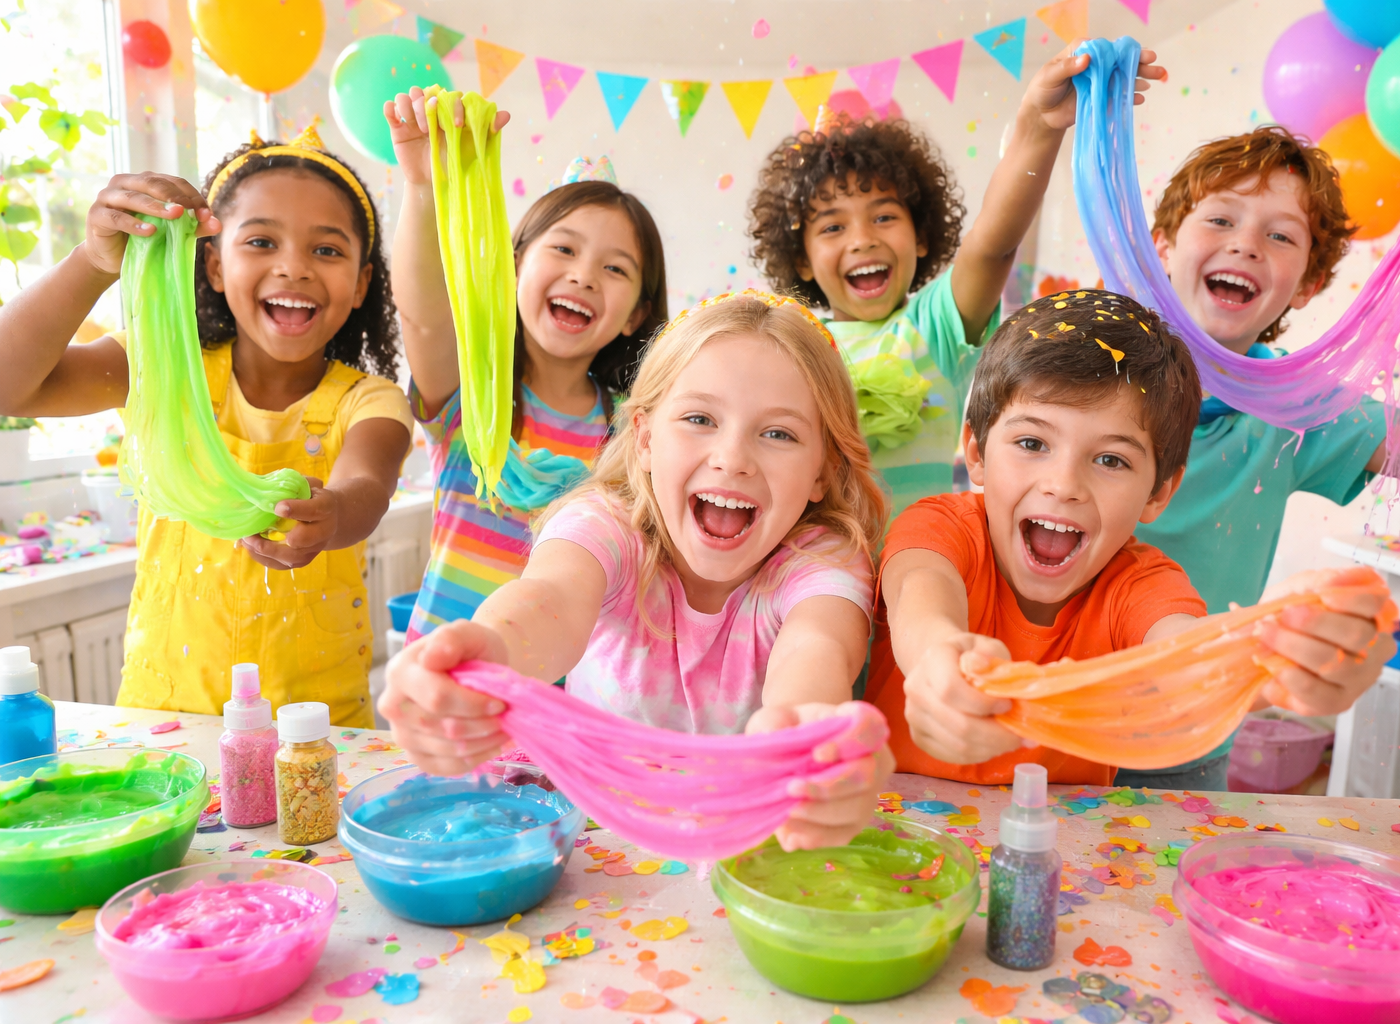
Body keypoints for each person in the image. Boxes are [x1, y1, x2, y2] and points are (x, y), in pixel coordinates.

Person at [381, 292, 891, 850]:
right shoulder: (605, 523)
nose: (732, 458)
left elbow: (816, 649)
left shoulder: (824, 560)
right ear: (646, 439)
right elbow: (549, 600)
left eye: (779, 434)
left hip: (750, 850)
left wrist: (808, 736)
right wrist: (486, 652)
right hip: (593, 844)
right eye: (699, 418)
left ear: (822, 472)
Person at [1123, 127, 1400, 788]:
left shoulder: (1301, 412)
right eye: (1221, 218)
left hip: (1183, 746)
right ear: (1164, 246)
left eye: (1280, 235)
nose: (1246, 243)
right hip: (1040, 715)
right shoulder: (1088, 368)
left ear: (1307, 283)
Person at [869, 290, 1397, 785]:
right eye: (1032, 442)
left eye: (1110, 459)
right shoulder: (938, 526)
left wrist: (1275, 654)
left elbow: (1188, 656)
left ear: (1158, 492)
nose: (1063, 485)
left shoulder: (1141, 585)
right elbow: (920, 595)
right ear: (978, 455)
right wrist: (936, 660)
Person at [0, 125, 414, 725]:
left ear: (361, 285)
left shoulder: (368, 400)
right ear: (214, 265)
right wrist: (92, 262)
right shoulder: (160, 365)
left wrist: (332, 516)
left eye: (326, 250)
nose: (294, 267)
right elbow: (12, 384)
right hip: (165, 718)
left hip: (314, 730)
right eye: (261, 242)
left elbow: (366, 489)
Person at [746, 47, 1165, 519]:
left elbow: (994, 245)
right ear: (801, 259)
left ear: (922, 236)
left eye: (884, 216)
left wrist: (1038, 126)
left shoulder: (932, 329)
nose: (862, 240)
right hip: (811, 578)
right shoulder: (790, 344)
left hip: (916, 572)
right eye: (832, 227)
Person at [385, 87, 667, 639]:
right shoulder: (471, 393)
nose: (583, 275)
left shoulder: (632, 431)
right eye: (563, 249)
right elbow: (421, 318)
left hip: (564, 689)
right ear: (514, 268)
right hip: (445, 675)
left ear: (636, 314)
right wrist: (422, 185)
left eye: (615, 268)